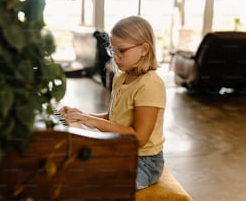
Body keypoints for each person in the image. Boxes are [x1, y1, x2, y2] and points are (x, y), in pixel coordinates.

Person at [60, 16, 166, 190]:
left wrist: (93, 121)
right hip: (120, 149)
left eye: (121, 51)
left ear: (144, 49)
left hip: (145, 163)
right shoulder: (120, 78)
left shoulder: (150, 85)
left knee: (95, 185)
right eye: (112, 50)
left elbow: (139, 138)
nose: (115, 57)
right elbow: (112, 119)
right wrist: (82, 116)